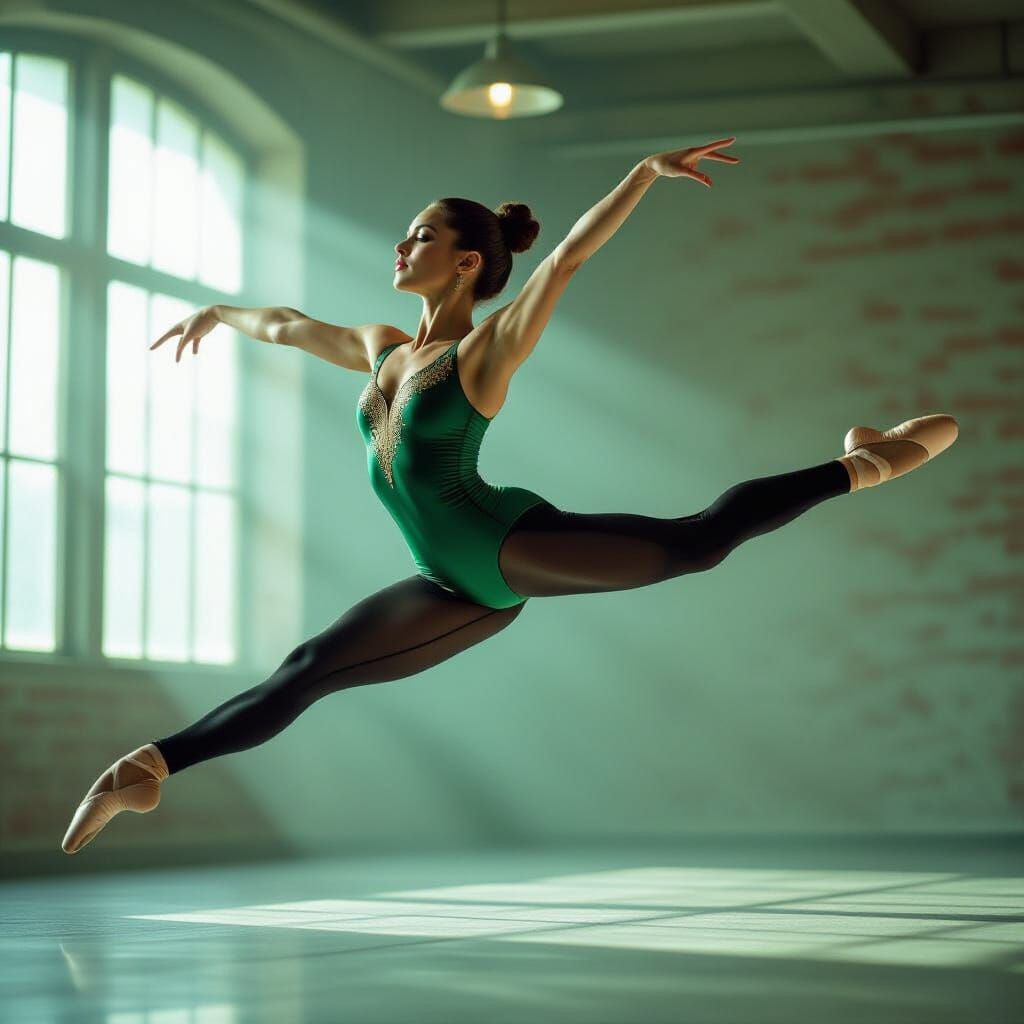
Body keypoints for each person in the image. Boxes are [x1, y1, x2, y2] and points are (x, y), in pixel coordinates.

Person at [61, 138, 958, 854]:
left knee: (695, 543)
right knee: (308, 669)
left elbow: (563, 261)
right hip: (450, 585)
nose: (402, 246)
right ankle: (144, 770)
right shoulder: (382, 350)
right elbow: (291, 326)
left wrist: (643, 174)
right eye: (406, 233)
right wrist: (221, 314)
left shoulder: (483, 353)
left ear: (465, 263)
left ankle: (867, 462)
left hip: (505, 543)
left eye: (421, 236)